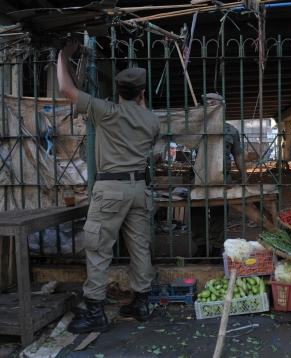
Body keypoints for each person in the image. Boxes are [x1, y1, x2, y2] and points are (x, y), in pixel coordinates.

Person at [57, 39, 160, 333]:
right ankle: (141, 303)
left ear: (117, 91)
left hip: (111, 191)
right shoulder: (151, 120)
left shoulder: (107, 112)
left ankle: (94, 312)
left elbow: (66, 88)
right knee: (140, 248)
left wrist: (62, 56)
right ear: (142, 92)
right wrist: (140, 101)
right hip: (140, 190)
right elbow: (142, 115)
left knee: (99, 248)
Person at [190, 116, 246, 263]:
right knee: (196, 212)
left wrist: (245, 176)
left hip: (222, 178)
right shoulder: (197, 128)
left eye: (212, 104)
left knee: (219, 213)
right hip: (199, 178)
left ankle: (216, 249)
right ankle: (201, 247)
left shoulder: (231, 130)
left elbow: (238, 154)